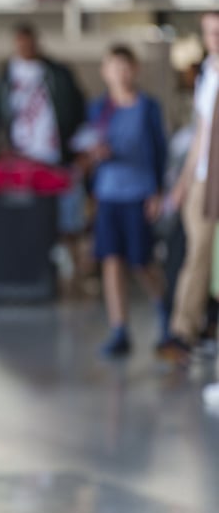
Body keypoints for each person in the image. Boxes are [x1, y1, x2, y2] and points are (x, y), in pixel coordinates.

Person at [78, 45, 168, 357]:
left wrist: (157, 192)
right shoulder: (100, 109)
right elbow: (88, 149)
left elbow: (159, 150)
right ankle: (119, 328)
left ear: (135, 69)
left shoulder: (147, 107)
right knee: (111, 260)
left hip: (138, 191)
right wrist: (95, 156)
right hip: (108, 192)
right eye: (114, 67)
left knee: (141, 260)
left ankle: (164, 310)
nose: (120, 73)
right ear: (105, 71)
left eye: (125, 66)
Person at [0, 23, 88, 290]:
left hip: (54, 157)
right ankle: (33, 275)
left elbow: (77, 110)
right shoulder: (4, 77)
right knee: (27, 220)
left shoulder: (57, 74)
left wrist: (76, 151)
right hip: (20, 161)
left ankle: (72, 278)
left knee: (66, 221)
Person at [162, 12, 219, 365]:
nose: (213, 37)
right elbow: (201, 133)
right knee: (196, 255)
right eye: (209, 32)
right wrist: (183, 182)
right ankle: (184, 330)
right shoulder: (207, 73)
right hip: (203, 179)